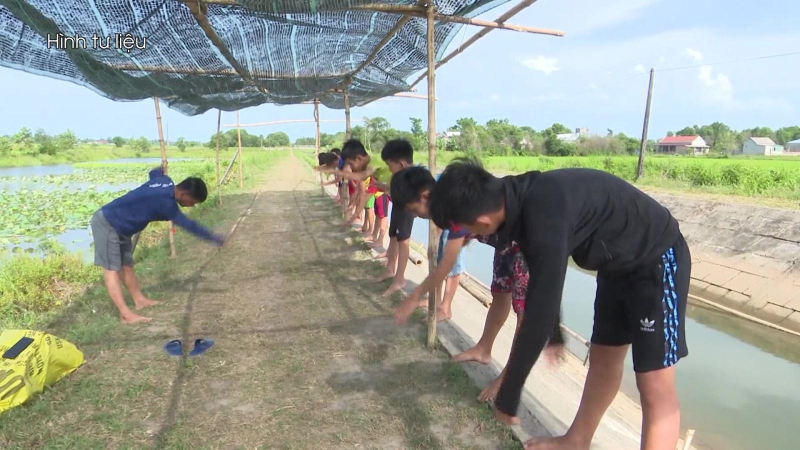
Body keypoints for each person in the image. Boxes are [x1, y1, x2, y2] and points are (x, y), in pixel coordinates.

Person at [430, 158, 690, 450]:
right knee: (603, 359)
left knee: (653, 384)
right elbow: (544, 282)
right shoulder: (516, 202)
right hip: (616, 266)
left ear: (482, 222)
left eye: (465, 230)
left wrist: (508, 397)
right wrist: (554, 334)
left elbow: (539, 308)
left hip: (657, 258)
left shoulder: (542, 210)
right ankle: (577, 440)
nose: (471, 237)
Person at [91, 167, 225, 324]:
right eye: (192, 203)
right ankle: (125, 314)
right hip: (108, 222)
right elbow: (189, 225)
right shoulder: (167, 205)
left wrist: (161, 170)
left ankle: (139, 300)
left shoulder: (165, 181)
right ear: (184, 194)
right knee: (111, 269)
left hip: (123, 227)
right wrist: (214, 238)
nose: (191, 206)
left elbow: (153, 173)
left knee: (126, 265)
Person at [454, 234, 566, 402]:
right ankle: (483, 349)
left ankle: (509, 377)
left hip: (529, 245)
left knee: (524, 311)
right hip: (505, 239)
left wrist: (556, 335)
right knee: (499, 291)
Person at [390, 166, 468, 324]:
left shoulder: (455, 204)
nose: (414, 215)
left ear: (424, 196)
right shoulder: (443, 206)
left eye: (413, 209)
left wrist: (413, 298)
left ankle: (445, 308)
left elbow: (448, 262)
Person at [374, 139, 416, 297]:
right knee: (393, 236)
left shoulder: (412, 176)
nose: (389, 169)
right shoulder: (400, 176)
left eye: (390, 165)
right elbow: (397, 191)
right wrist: (385, 188)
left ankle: (400, 278)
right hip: (398, 207)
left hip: (406, 210)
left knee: (403, 240)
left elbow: (410, 196)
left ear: (402, 164)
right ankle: (390, 269)